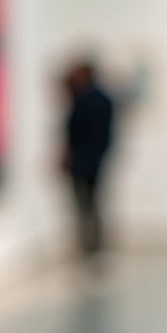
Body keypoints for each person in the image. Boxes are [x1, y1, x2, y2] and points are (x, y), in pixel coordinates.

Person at [62, 61, 115, 258]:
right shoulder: (98, 99)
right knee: (89, 205)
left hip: (85, 162)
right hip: (88, 162)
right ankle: (91, 248)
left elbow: (74, 132)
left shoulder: (86, 100)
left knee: (88, 205)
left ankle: (92, 248)